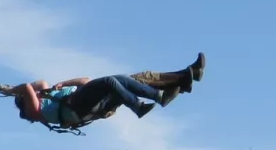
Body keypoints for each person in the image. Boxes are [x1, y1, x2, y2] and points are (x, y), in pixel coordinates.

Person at [12, 53, 205, 131]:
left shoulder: (48, 97)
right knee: (111, 81)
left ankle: (186, 77)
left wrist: (62, 83)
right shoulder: (35, 111)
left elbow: (84, 80)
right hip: (80, 107)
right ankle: (143, 104)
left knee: (131, 79)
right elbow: (28, 87)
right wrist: (12, 91)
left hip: (93, 103)